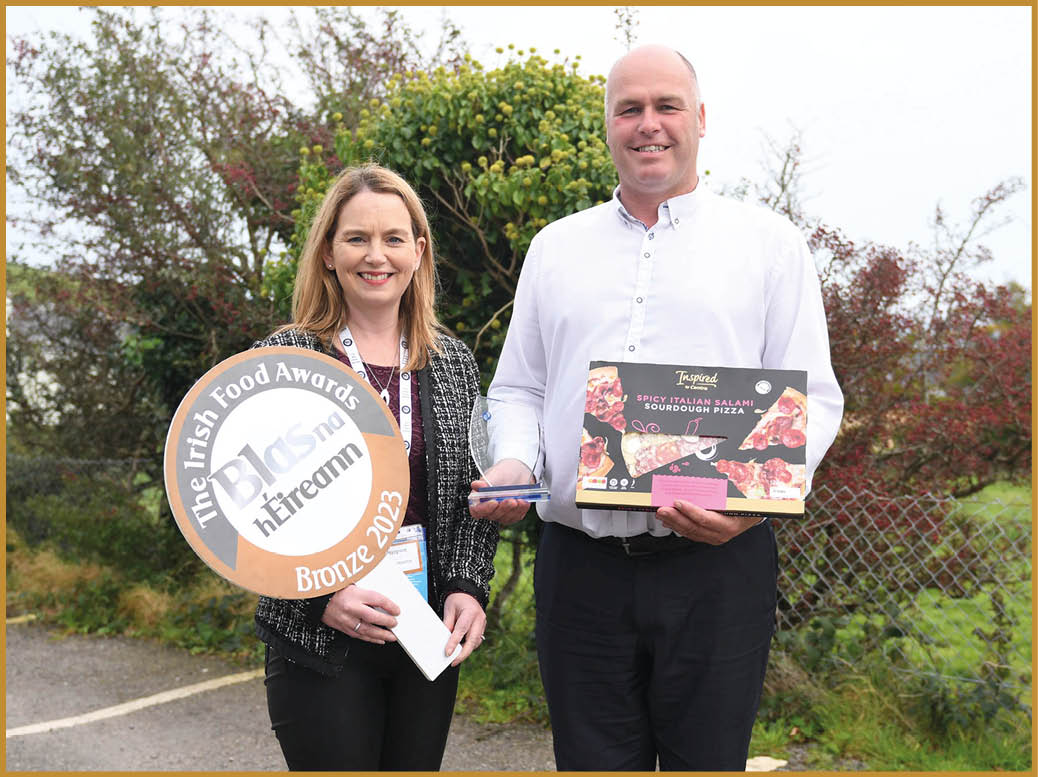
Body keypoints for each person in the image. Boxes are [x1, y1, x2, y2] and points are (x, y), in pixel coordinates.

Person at [470, 45, 844, 771]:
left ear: (699, 119)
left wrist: (754, 506)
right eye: (629, 108)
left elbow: (814, 397)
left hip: (717, 568)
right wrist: (516, 462)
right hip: (580, 571)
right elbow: (519, 386)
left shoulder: (769, 245)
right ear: (607, 126)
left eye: (666, 106)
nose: (649, 124)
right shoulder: (555, 248)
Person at [253, 163, 499, 771]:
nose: (376, 255)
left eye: (393, 239)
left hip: (424, 633)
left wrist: (468, 586)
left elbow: (473, 498)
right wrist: (318, 596)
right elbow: (247, 513)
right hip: (321, 638)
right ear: (330, 253)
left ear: (418, 252)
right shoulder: (286, 359)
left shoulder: (452, 366)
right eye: (356, 238)